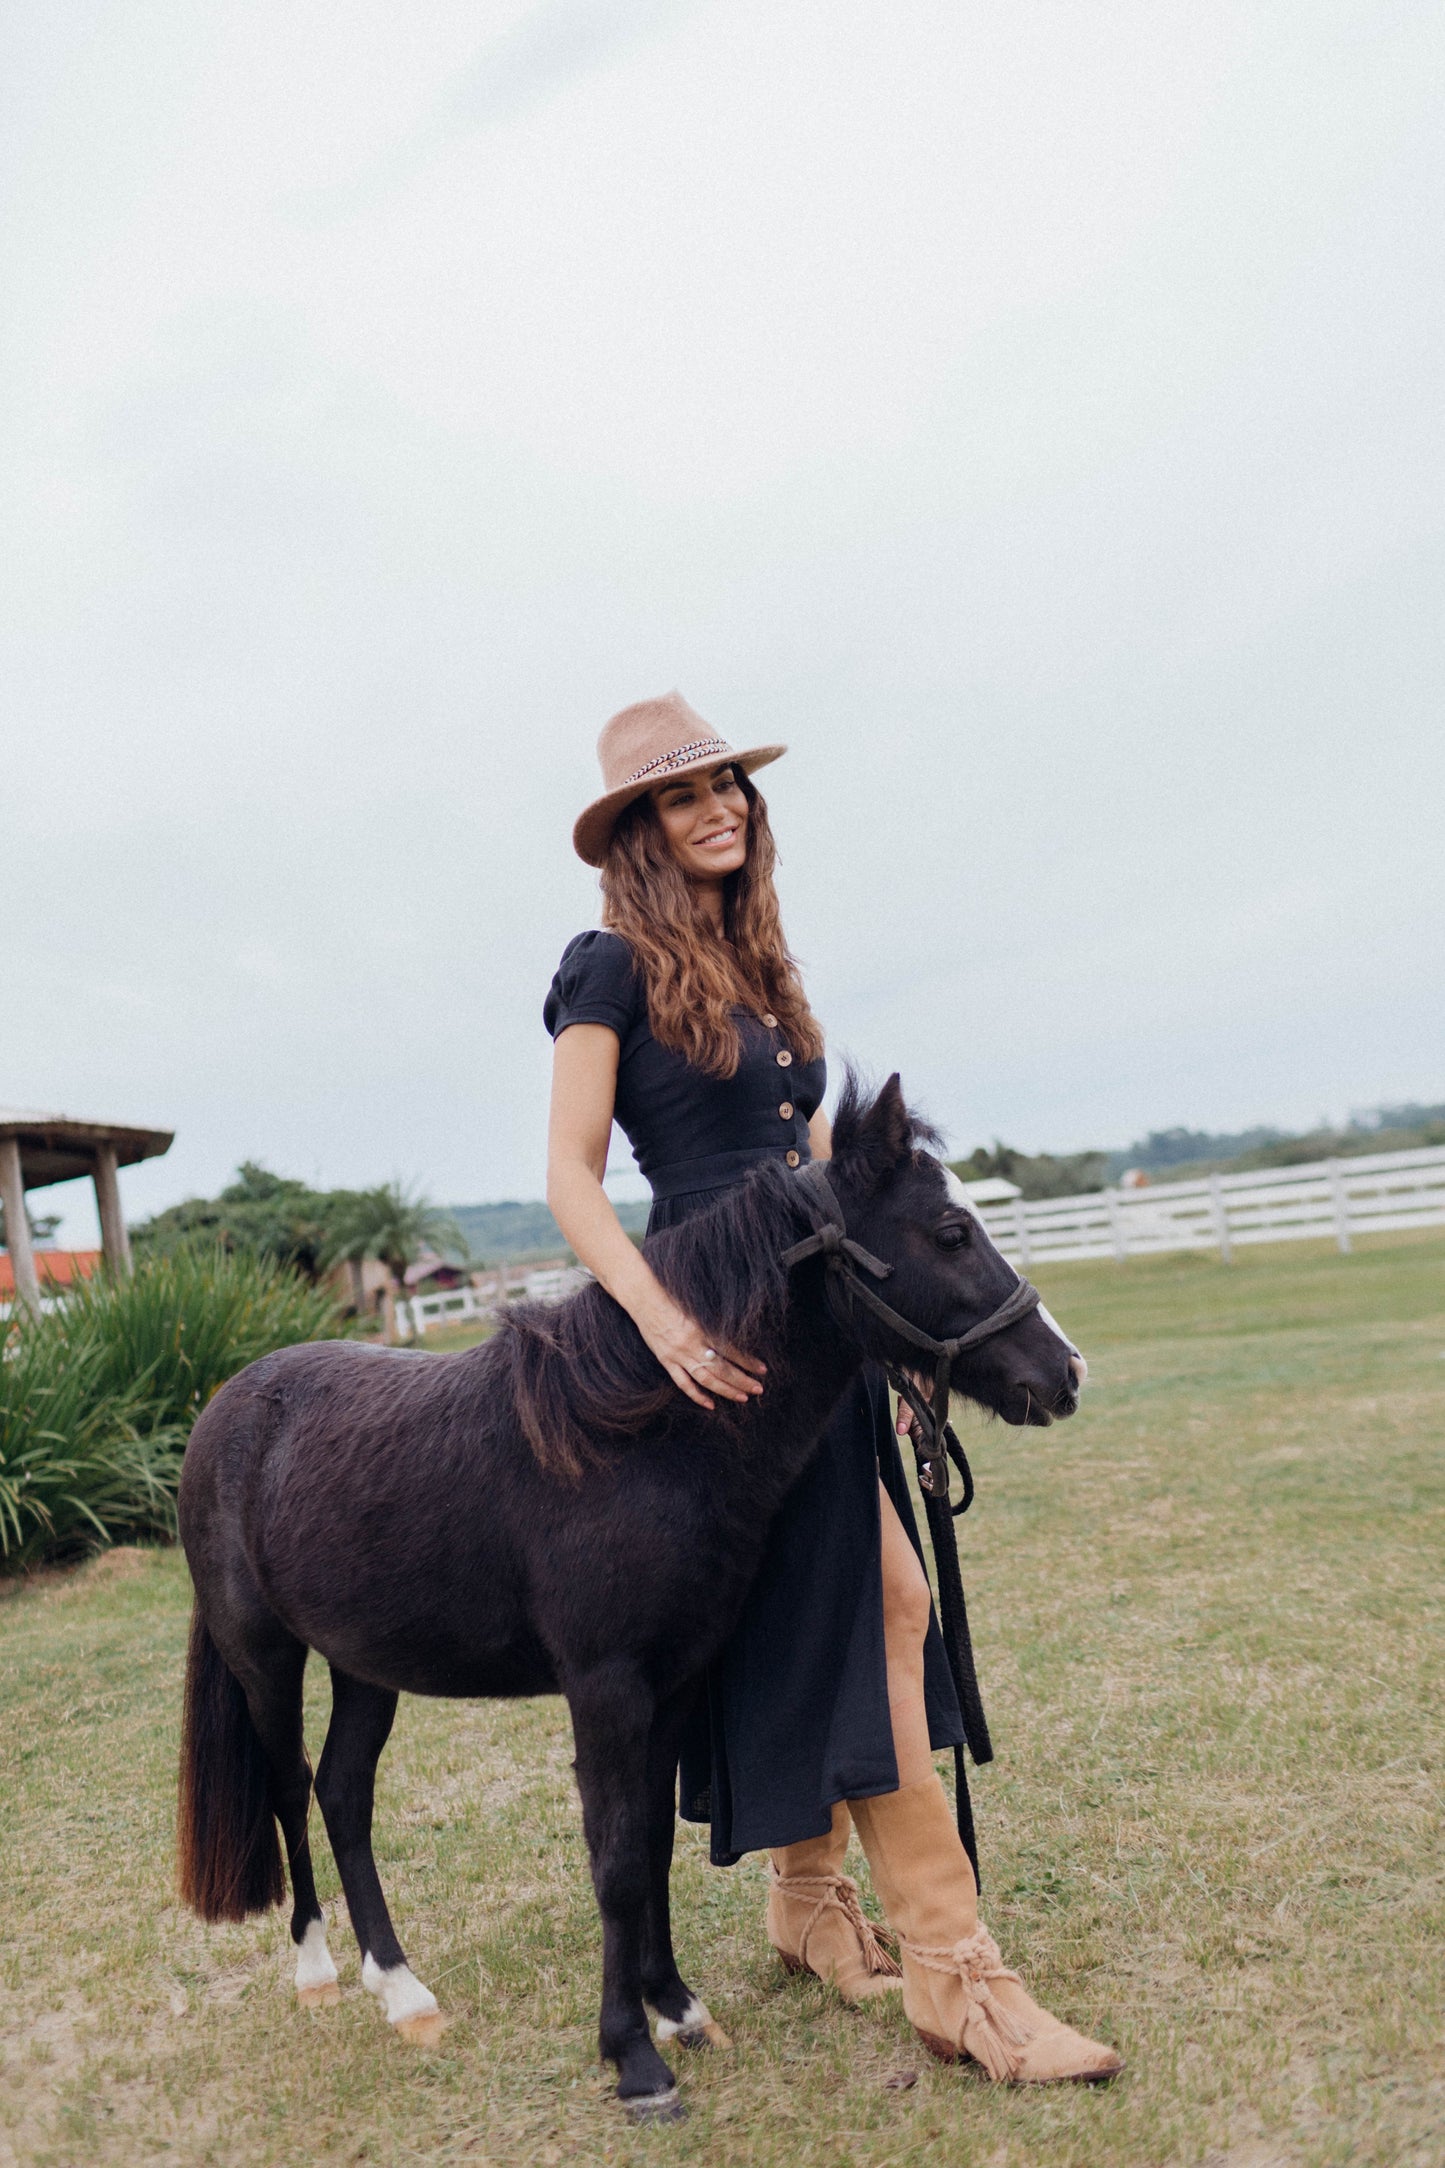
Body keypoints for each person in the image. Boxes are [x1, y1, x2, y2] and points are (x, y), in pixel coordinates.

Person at [544, 691, 1121, 2085]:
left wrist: (905, 1347)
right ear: (638, 830)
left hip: (821, 1330)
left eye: (730, 784)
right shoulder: (606, 965)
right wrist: (662, 1324)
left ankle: (807, 1904)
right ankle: (960, 1980)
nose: (721, 807)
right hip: (718, 1333)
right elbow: (568, 1176)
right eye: (685, 796)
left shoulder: (762, 967)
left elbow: (826, 1175)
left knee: (833, 1613)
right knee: (869, 1609)